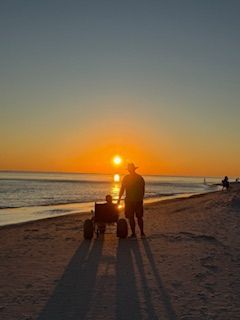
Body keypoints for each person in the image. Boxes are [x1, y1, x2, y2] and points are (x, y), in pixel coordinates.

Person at [117, 163, 145, 238]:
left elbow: (122, 189)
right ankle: (141, 233)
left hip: (130, 201)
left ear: (129, 170)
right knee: (138, 217)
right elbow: (143, 190)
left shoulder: (126, 178)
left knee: (131, 217)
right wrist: (141, 198)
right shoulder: (140, 178)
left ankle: (134, 233)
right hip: (137, 200)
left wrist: (119, 199)